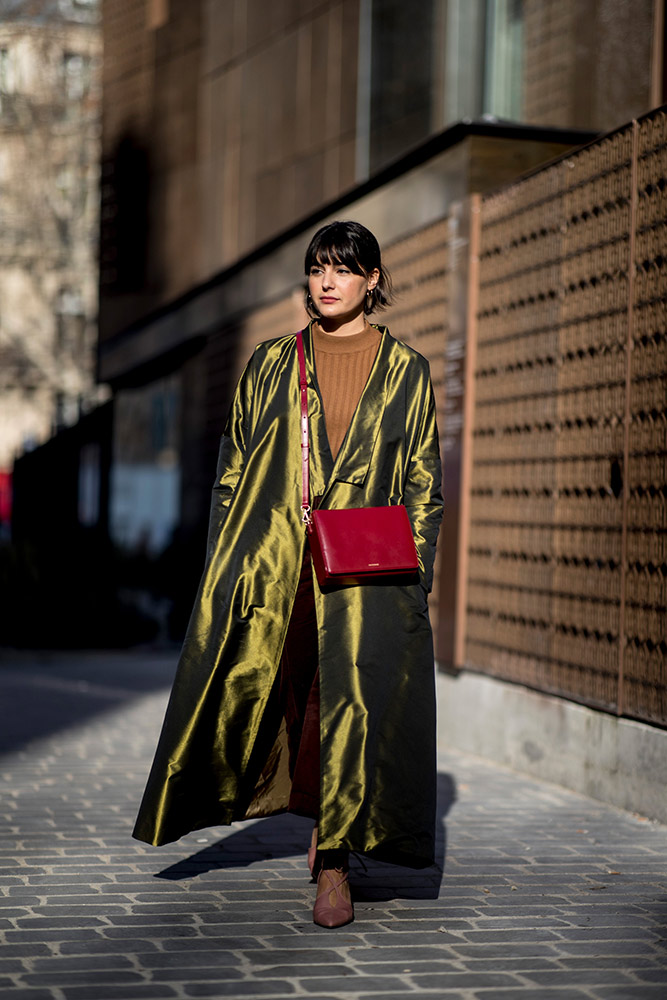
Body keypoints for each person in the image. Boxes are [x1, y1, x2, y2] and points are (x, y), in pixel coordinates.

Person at [133, 220, 444, 928]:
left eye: (342, 268)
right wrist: (227, 566)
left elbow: (424, 482)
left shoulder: (407, 371)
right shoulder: (271, 362)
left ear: (372, 280)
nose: (326, 280)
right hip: (278, 566)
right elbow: (232, 471)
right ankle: (304, 811)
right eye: (315, 268)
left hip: (368, 575)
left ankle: (334, 864)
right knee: (290, 697)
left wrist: (413, 572)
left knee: (349, 706)